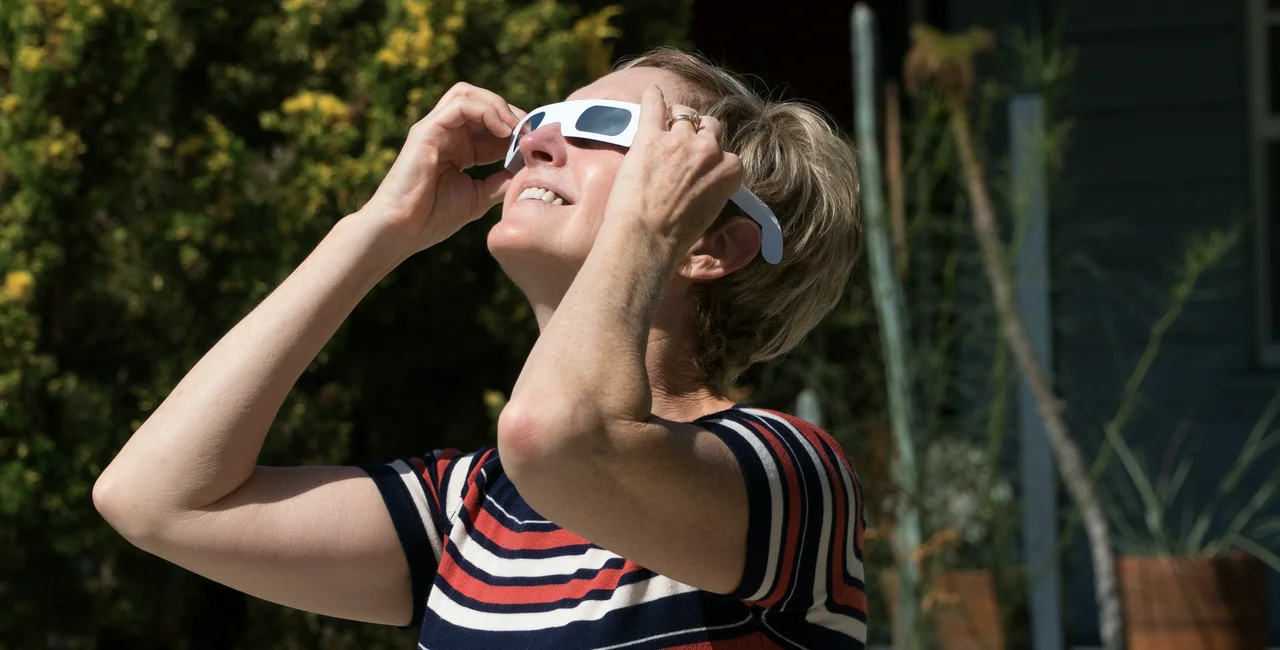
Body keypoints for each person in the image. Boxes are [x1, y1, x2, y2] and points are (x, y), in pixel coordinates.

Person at [94, 47, 868, 649]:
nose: (537, 146)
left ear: (715, 244)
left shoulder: (789, 476)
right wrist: (376, 230)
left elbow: (561, 437)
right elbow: (157, 499)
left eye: (605, 131)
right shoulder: (474, 508)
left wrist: (648, 229)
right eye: (541, 123)